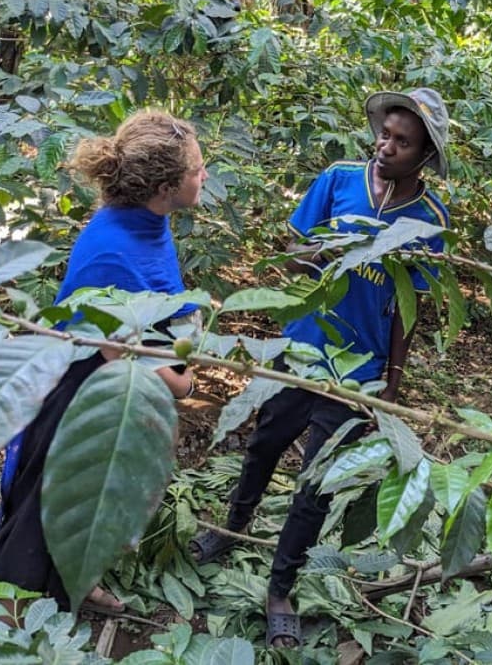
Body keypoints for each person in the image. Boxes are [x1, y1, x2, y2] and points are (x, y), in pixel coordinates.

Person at [191, 88, 451, 647]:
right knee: (264, 444)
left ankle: (281, 586)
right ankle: (233, 527)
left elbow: (409, 309)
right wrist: (329, 253)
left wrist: (392, 387)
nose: (386, 146)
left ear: (425, 155)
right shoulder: (337, 179)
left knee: (318, 483)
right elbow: (294, 256)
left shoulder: (430, 219)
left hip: (359, 372)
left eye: (402, 142)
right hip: (304, 348)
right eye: (385, 133)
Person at [0, 110, 208, 612]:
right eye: (197, 169)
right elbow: (116, 352)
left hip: (117, 381)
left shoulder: (150, 220)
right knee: (54, 504)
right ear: (166, 184)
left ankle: (74, 587)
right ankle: (12, 613)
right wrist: (185, 384)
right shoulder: (112, 250)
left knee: (94, 503)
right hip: (82, 390)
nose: (205, 175)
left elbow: (158, 300)